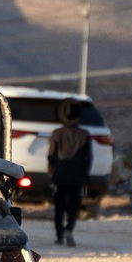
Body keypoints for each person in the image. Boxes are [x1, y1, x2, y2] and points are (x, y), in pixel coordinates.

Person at [47, 98, 91, 247]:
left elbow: (51, 156)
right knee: (74, 206)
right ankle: (69, 229)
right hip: (77, 176)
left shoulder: (57, 133)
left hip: (59, 176)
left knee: (59, 208)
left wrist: (51, 171)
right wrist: (85, 175)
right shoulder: (84, 134)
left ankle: (59, 236)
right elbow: (88, 157)